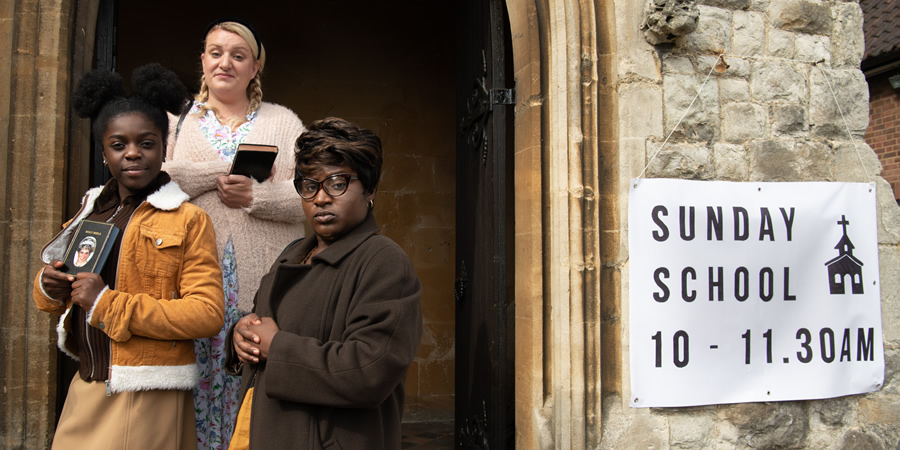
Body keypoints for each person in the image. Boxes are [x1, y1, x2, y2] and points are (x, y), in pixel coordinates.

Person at [33, 64, 225, 449]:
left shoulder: (188, 219)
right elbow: (62, 293)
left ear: (163, 148)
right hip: (88, 383)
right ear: (104, 152)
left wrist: (108, 303)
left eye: (147, 143)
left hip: (145, 391)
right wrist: (50, 286)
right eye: (119, 144)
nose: (133, 153)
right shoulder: (91, 211)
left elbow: (207, 314)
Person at [226, 117, 423, 449]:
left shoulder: (383, 262)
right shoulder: (291, 255)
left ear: (370, 189)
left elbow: (369, 371)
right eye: (309, 185)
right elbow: (266, 324)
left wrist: (277, 346)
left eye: (337, 183)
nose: (320, 198)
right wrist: (242, 334)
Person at [162, 18, 306, 449]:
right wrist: (217, 172)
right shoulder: (175, 122)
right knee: (194, 378)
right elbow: (153, 181)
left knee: (254, 376)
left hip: (262, 275)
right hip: (193, 276)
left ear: (254, 67)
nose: (225, 62)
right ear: (203, 60)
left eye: (238, 56)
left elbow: (309, 196)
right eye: (216, 52)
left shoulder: (283, 122)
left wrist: (256, 197)